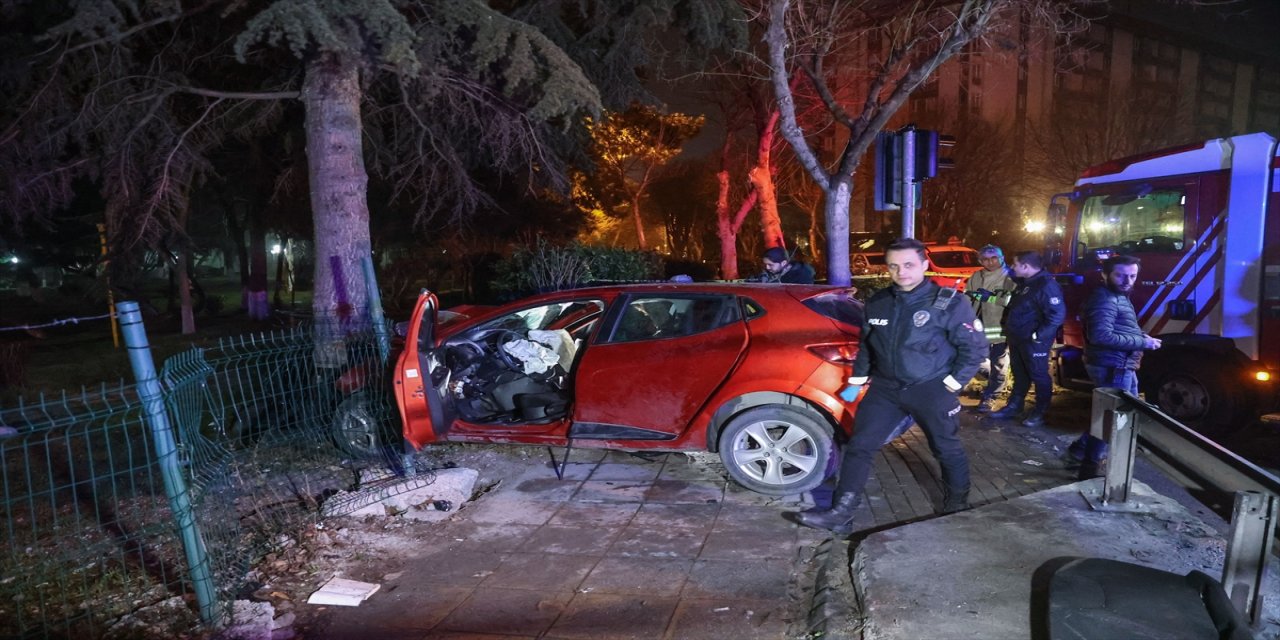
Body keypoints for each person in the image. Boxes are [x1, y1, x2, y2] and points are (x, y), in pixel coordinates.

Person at [794, 237, 986, 534]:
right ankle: (841, 511)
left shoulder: (948, 302)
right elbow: (868, 345)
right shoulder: (879, 302)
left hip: (930, 386)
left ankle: (957, 503)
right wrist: (857, 380)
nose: (902, 272)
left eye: (909, 265)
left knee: (945, 448)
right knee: (859, 446)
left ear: (924, 264)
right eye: (894, 266)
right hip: (886, 389)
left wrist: (951, 384)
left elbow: (974, 348)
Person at [1068, 255, 1162, 478]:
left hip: (1121, 363)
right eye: (1120, 275)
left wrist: (1139, 335)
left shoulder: (1117, 295)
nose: (1127, 280)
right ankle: (1089, 468)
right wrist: (1142, 342)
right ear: (1105, 275)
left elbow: (1118, 327)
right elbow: (1101, 335)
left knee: (1112, 414)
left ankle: (1080, 450)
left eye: (1132, 275)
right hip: (1113, 365)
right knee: (1114, 418)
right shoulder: (1105, 299)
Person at [990, 250, 1064, 427]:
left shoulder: (1045, 285)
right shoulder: (1027, 282)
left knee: (1038, 375)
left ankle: (1040, 412)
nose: (1012, 267)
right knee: (1020, 373)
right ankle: (1015, 406)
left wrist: (1038, 336)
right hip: (1018, 338)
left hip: (1033, 341)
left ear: (1025, 266)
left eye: (1015, 264)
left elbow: (1056, 314)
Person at [966, 245, 1016, 413]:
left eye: (994, 257)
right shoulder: (976, 276)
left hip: (1000, 327)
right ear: (980, 261)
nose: (990, 262)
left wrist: (991, 298)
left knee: (999, 363)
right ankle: (993, 383)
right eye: (985, 259)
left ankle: (992, 396)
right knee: (972, 358)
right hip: (977, 326)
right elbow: (967, 297)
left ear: (1002, 258)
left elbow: (1012, 301)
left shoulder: (1010, 277)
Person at [750, 246, 815, 284]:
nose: (767, 267)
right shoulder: (769, 273)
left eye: (770, 265)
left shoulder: (800, 278)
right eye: (765, 264)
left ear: (783, 263)